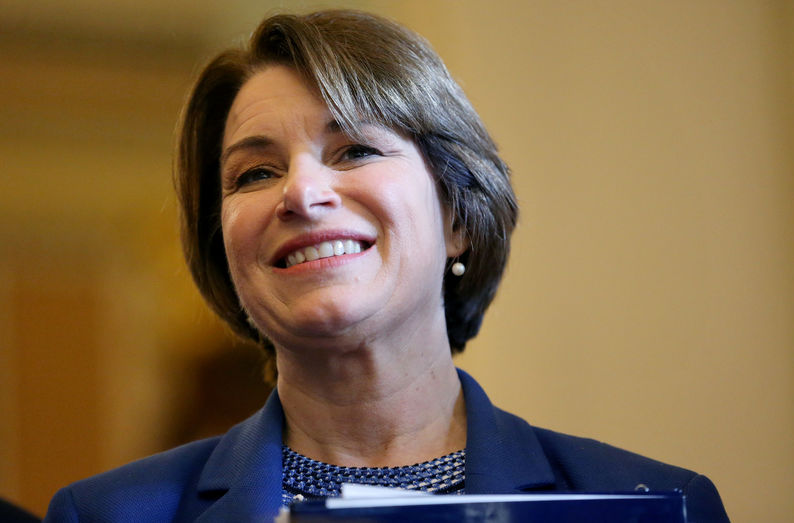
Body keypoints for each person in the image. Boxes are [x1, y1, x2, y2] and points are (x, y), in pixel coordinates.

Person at [44, 9, 729, 522]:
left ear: (457, 217)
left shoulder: (653, 505)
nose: (301, 193)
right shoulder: (105, 514)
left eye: (354, 151)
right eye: (255, 171)